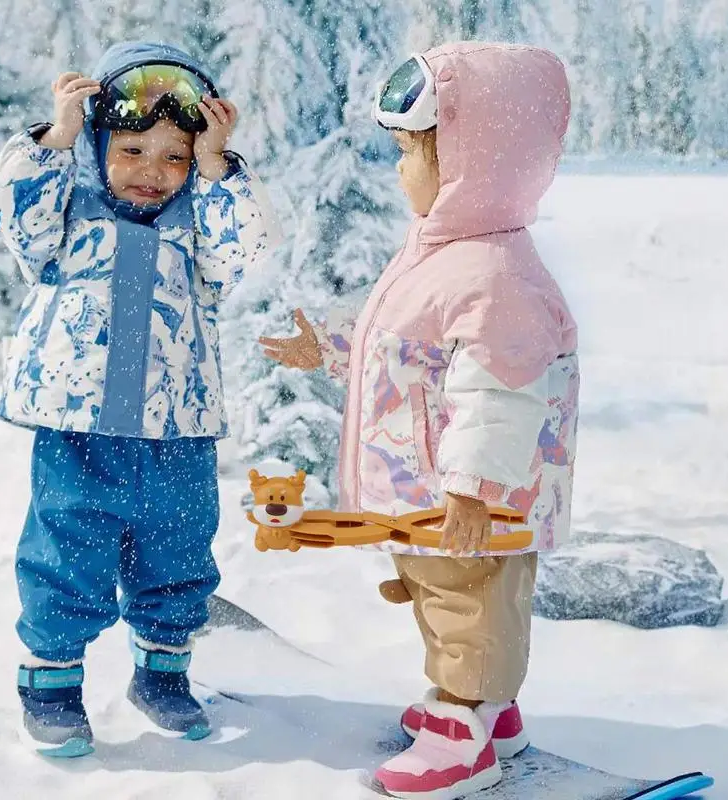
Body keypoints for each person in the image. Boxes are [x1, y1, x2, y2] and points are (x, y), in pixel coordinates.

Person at [260, 42, 579, 799]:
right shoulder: (446, 252)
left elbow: (501, 392)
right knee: (450, 599)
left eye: (409, 152)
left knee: (466, 606)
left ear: (474, 161)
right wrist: (332, 346)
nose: (399, 169)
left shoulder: (493, 274)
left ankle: (462, 732)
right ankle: (490, 714)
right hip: (436, 495)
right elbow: (406, 345)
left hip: (467, 502)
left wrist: (472, 485)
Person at [0, 41, 280, 757]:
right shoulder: (66, 218)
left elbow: (250, 244)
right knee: (66, 550)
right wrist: (59, 134)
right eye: (133, 150)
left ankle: (163, 672)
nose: (153, 173)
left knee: (178, 550)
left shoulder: (196, 233)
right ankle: (50, 685)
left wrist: (215, 166)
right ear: (102, 143)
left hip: (177, 428)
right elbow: (4, 204)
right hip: (78, 428)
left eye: (175, 156)